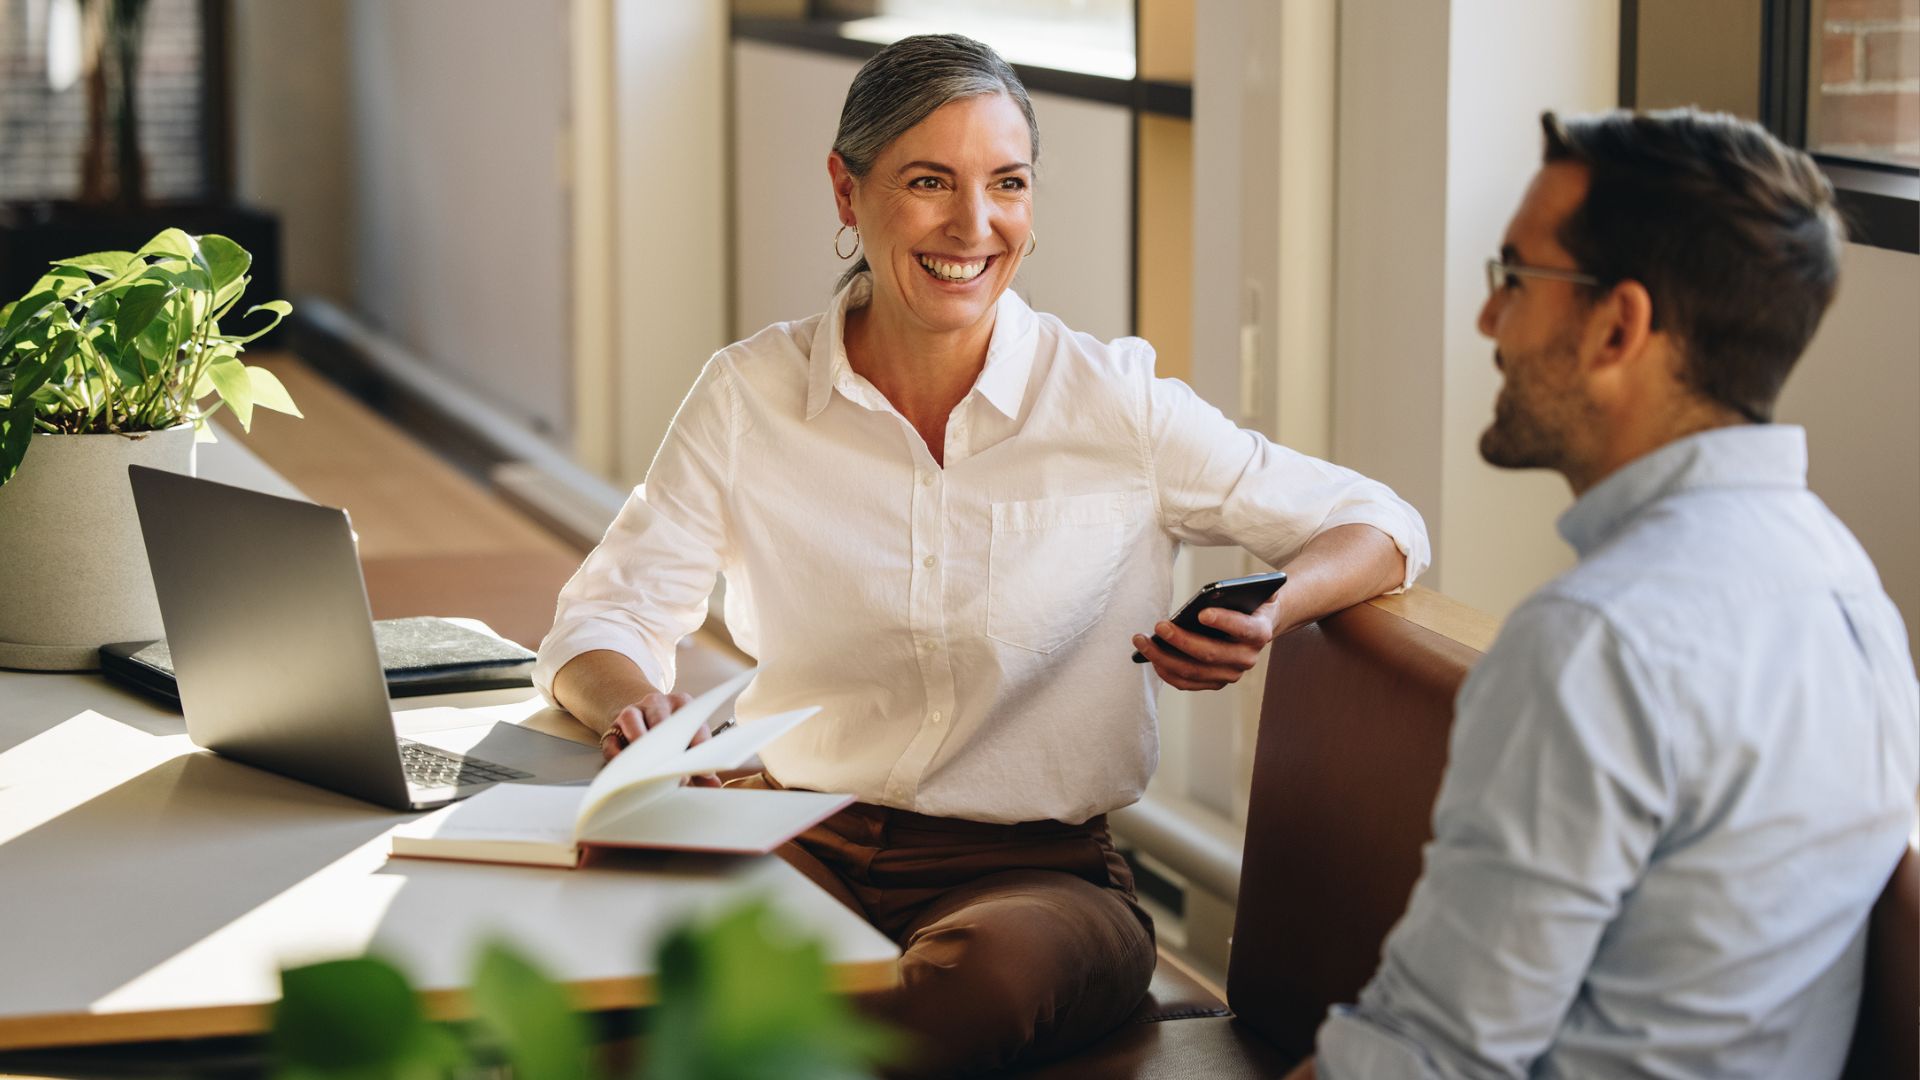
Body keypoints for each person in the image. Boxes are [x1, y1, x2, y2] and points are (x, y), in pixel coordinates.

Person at [534, 33, 1428, 1078]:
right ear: (846, 189)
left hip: (1037, 881)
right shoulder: (747, 398)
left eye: (1008, 183)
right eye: (928, 182)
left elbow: (1381, 522)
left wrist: (1273, 611)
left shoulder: (1114, 406)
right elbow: (604, 619)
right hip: (798, 833)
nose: (973, 225)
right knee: (606, 921)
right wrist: (629, 703)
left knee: (973, 988)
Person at [1288, 109, 1919, 1080]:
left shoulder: (1597, 641)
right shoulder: (1853, 596)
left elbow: (1426, 1059)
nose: (1487, 320)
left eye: (1513, 278)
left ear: (1618, 326)